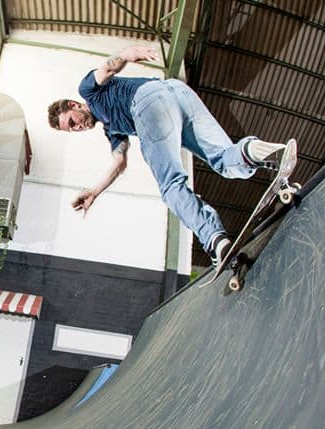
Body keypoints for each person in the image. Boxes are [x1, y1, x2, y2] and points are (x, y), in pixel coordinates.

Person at [47, 44, 287, 264]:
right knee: (224, 160)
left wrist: (127, 54)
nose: (78, 127)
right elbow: (119, 162)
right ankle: (253, 152)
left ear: (74, 105)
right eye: (74, 130)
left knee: (171, 185)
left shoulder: (88, 91)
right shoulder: (112, 130)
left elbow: (107, 69)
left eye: (73, 121)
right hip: (178, 93)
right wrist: (94, 192)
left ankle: (214, 239)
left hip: (147, 101)